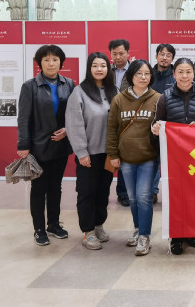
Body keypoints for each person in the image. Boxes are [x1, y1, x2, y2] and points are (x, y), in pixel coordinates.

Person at [17, 45, 75, 246]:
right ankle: (39, 229)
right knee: (39, 188)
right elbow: (24, 118)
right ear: (39, 63)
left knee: (56, 186)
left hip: (60, 144)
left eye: (55, 59)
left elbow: (73, 113)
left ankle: (54, 224)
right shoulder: (30, 86)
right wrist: (23, 144)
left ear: (61, 62)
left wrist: (67, 129)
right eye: (46, 60)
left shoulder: (69, 84)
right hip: (38, 146)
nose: (51, 63)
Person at [151, 57, 195, 255]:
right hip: (174, 157)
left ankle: (190, 231)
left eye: (188, 72)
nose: (185, 76)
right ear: (174, 74)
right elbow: (156, 123)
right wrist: (155, 129)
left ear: (194, 74)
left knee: (194, 197)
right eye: (180, 72)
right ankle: (176, 236)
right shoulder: (164, 97)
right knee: (175, 197)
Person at [107, 59, 161, 256]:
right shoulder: (119, 99)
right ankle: (138, 229)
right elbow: (112, 129)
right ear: (131, 76)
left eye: (147, 74)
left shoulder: (158, 98)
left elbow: (164, 127)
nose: (143, 77)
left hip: (148, 157)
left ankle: (145, 236)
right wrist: (113, 154)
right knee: (132, 198)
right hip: (126, 158)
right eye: (139, 74)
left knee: (144, 197)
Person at [66, 52, 118, 250]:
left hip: (109, 153)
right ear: (89, 68)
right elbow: (74, 124)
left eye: (103, 65)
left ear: (108, 68)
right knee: (86, 192)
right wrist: (81, 152)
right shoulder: (79, 92)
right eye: (95, 65)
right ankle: (88, 232)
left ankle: (98, 225)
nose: (99, 69)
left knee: (103, 191)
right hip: (88, 154)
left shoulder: (114, 91)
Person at [149, 43, 176, 204]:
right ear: (156, 56)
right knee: (153, 159)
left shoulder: (175, 75)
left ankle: (171, 191)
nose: (164, 58)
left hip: (170, 124)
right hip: (151, 123)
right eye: (162, 54)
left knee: (170, 161)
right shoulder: (148, 74)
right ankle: (153, 191)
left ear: (172, 59)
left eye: (168, 55)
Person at [109, 39, 131, 207]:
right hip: (108, 118)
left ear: (128, 53)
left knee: (125, 156)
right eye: (114, 54)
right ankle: (103, 190)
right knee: (109, 155)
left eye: (121, 53)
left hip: (128, 118)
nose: (118, 57)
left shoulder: (135, 71)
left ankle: (123, 192)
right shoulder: (106, 70)